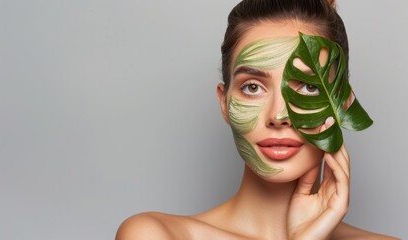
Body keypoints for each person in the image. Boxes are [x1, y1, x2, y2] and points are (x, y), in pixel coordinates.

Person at [116, 0, 399, 239]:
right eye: (253, 87)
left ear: (343, 105)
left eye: (309, 87)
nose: (278, 115)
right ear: (224, 103)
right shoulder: (155, 234)